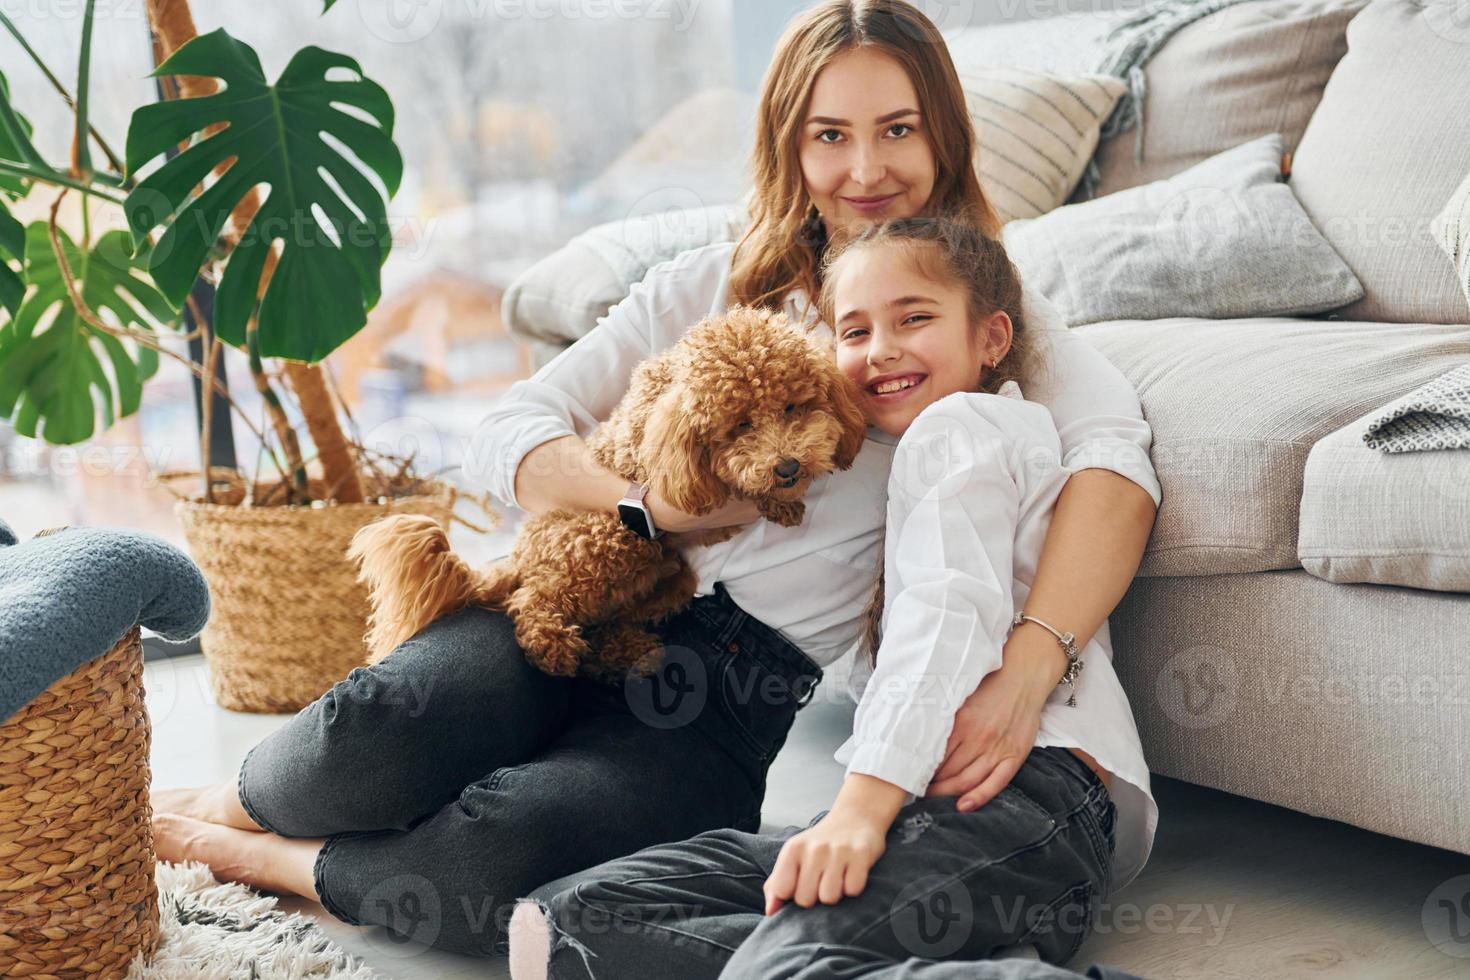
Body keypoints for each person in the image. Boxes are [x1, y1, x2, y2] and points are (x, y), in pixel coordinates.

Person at [149, 0, 1161, 959]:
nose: (865, 169)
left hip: (723, 697)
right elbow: (507, 432)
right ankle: (232, 799)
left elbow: (1116, 470)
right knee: (366, 740)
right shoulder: (706, 286)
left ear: (942, 137)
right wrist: (648, 504)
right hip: (579, 598)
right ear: (789, 146)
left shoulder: (979, 320)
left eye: (897, 130)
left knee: (498, 852)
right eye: (830, 135)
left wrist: (1031, 671)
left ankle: (260, 857)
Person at [507, 215, 1157, 980]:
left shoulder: (964, 430)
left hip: (1025, 793)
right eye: (854, 331)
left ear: (991, 338)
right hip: (918, 792)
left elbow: (946, 619)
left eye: (914, 318)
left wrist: (857, 813)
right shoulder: (903, 455)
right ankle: (941, 955)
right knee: (561, 923)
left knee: (770, 965)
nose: (881, 348)